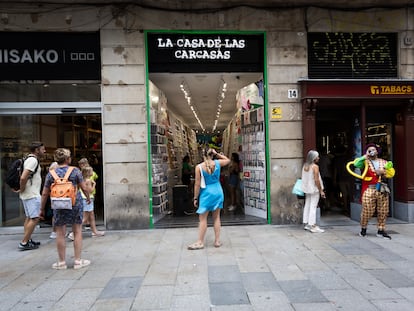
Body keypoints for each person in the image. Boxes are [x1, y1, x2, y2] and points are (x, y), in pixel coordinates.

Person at [40, 148, 91, 270]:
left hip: (59, 204)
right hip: (75, 204)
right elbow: (83, 187)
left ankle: (61, 262)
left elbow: (45, 193)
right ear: (68, 159)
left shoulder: (51, 174)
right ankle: (78, 261)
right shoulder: (75, 171)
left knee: (60, 233)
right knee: (77, 231)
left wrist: (41, 208)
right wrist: (88, 197)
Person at [187, 148, 230, 250]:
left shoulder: (199, 167)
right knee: (216, 217)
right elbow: (228, 160)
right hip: (218, 191)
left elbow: (197, 184)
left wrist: (195, 197)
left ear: (202, 155)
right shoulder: (218, 163)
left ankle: (200, 241)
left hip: (206, 193)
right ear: (212, 155)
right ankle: (217, 241)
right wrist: (218, 154)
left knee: (202, 219)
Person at [352, 143, 395, 239]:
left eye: (373, 150)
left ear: (377, 151)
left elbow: (391, 173)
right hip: (369, 188)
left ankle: (381, 230)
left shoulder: (384, 162)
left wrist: (383, 172)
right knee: (367, 209)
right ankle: (363, 228)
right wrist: (365, 156)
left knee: (383, 210)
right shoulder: (364, 161)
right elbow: (355, 164)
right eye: (369, 150)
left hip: (382, 189)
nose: (372, 152)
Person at [17, 141, 46, 250]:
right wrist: (22, 188)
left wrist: (22, 189)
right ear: (36, 150)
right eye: (42, 149)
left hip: (28, 193)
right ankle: (24, 242)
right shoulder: (33, 160)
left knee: (29, 217)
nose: (44, 151)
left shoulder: (28, 159)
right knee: (35, 218)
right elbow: (24, 177)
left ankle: (27, 239)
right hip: (32, 194)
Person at [301, 150, 326, 233]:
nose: (318, 158)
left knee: (307, 205)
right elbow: (316, 179)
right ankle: (313, 225)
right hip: (314, 189)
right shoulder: (315, 166)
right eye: (317, 156)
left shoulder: (305, 166)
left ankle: (307, 223)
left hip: (307, 189)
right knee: (313, 206)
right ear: (314, 158)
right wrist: (321, 190)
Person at [80, 165, 104, 237]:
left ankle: (94, 231)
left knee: (91, 215)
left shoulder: (83, 180)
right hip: (88, 198)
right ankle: (74, 233)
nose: (92, 172)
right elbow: (90, 190)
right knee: (85, 218)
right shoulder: (89, 180)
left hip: (84, 198)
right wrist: (94, 185)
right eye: (91, 171)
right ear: (88, 173)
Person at [48, 161, 59, 239]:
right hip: (61, 196)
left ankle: (54, 231)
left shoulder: (49, 175)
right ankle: (56, 231)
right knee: (57, 214)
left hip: (53, 196)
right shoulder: (60, 175)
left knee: (55, 214)